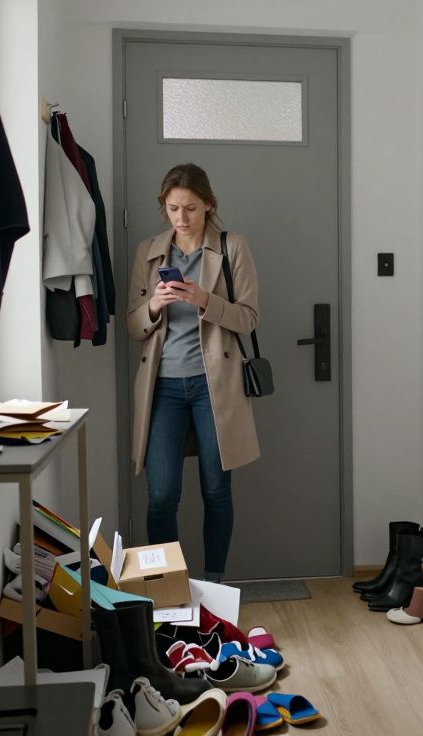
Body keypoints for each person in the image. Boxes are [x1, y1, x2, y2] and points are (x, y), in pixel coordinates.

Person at [128, 163, 261, 583]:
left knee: (216, 491)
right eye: (172, 208)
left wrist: (205, 300)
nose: (181, 218)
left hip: (214, 386)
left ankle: (213, 584)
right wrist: (154, 305)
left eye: (190, 208)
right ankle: (166, 587)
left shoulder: (233, 247)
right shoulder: (149, 251)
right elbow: (132, 327)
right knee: (161, 495)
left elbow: (249, 318)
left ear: (208, 204)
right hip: (162, 387)